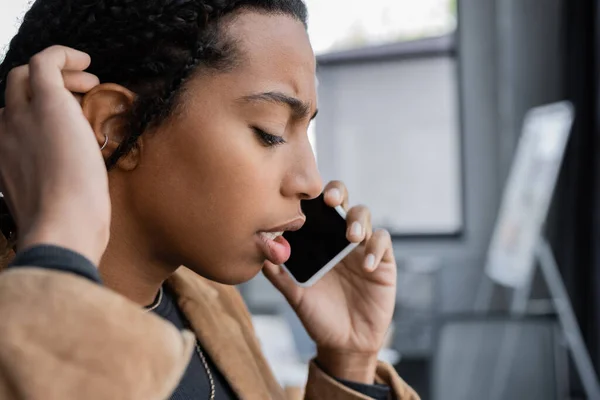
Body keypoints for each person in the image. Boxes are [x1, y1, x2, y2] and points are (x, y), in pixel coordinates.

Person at [0, 1, 419, 399]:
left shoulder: (213, 307)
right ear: (117, 126)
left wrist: (348, 364)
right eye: (270, 131)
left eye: (303, 130)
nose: (311, 182)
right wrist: (60, 251)